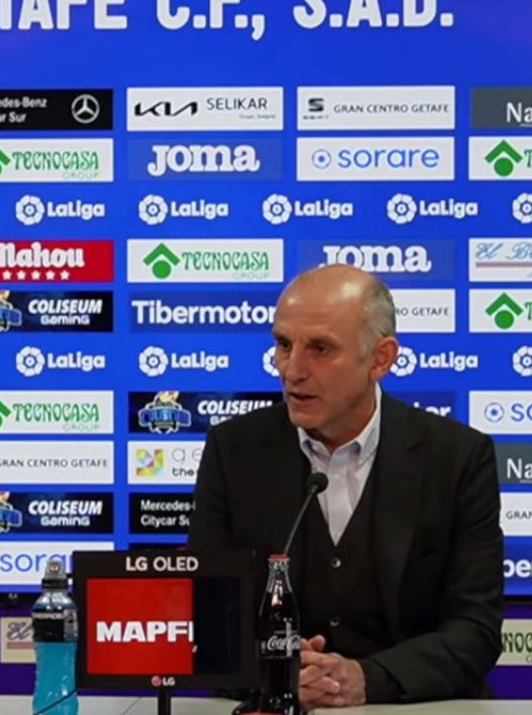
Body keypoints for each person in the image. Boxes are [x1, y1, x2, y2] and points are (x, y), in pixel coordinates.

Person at [187, 264, 503, 708]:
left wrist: (366, 678)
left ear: (381, 358)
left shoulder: (456, 457)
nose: (292, 370)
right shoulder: (234, 450)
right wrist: (278, 674)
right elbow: (207, 617)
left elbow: (475, 630)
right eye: (283, 345)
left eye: (320, 348)